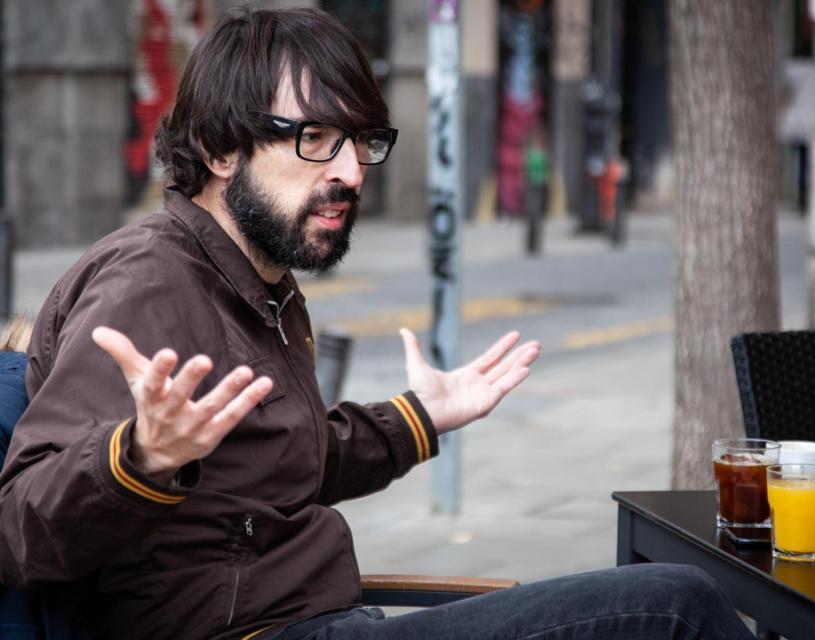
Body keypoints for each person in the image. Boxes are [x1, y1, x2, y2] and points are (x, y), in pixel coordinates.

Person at [0, 7, 754, 640]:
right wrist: (139, 458)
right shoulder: (147, 286)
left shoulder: (261, 279)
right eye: (315, 138)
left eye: (362, 140)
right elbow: (17, 531)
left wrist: (418, 418)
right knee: (673, 605)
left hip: (324, 614)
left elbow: (286, 460)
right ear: (219, 148)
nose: (351, 171)